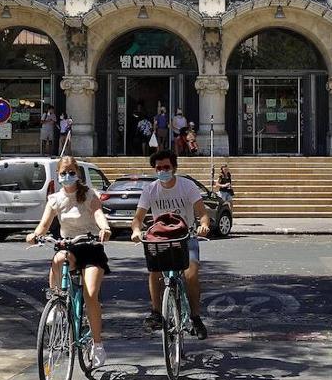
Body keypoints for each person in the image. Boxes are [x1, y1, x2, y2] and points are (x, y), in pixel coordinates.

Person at [27, 157, 113, 368]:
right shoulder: (55, 199)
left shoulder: (89, 195)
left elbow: (98, 214)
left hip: (91, 247)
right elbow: (44, 224)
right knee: (58, 258)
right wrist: (35, 235)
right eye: (64, 173)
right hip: (69, 247)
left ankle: (98, 344)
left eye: (71, 172)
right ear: (58, 174)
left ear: (78, 174)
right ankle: (56, 303)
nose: (68, 176)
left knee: (90, 294)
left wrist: (105, 229)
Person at [131, 150, 211, 339]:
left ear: (174, 168)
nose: (162, 171)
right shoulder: (150, 189)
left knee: (191, 273)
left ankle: (195, 317)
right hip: (161, 238)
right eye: (158, 168)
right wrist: (136, 230)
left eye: (166, 167)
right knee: (154, 271)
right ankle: (156, 312)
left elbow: (202, 213)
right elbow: (138, 218)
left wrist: (204, 225)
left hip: (186, 236)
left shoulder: (187, 186)